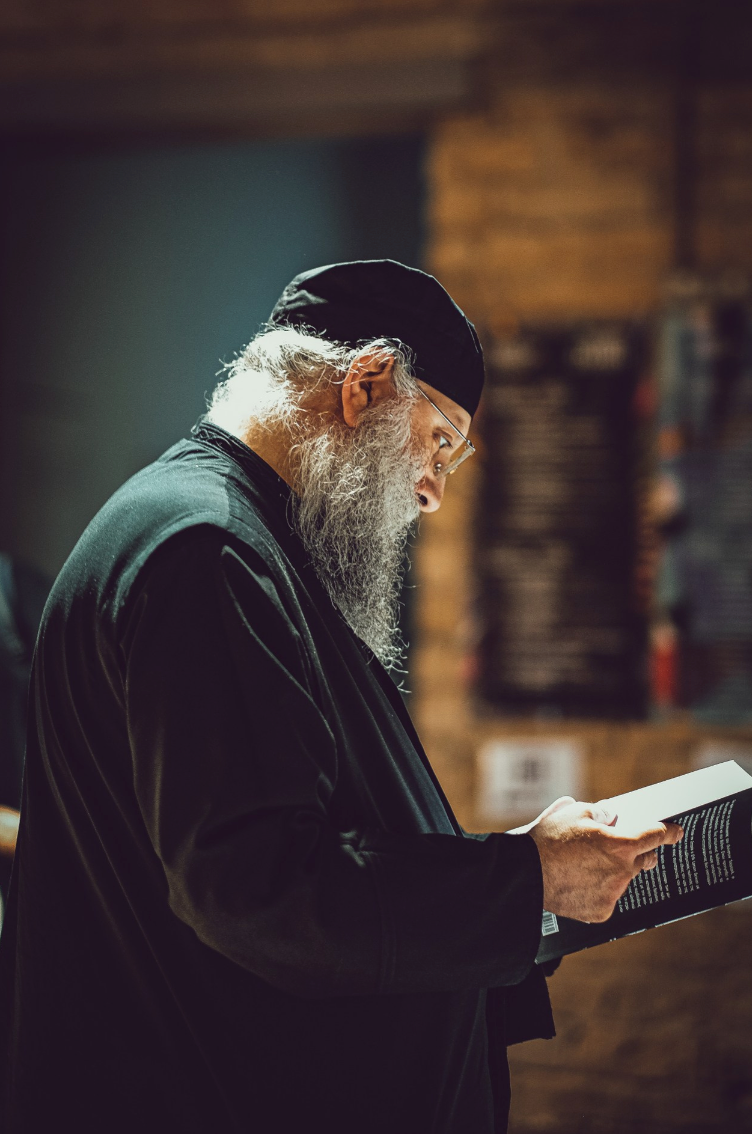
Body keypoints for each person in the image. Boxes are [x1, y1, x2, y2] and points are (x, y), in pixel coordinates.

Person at [0, 260, 682, 1134]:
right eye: (440, 443)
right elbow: (262, 892)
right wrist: (526, 878)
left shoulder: (241, 544)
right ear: (365, 385)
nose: (434, 492)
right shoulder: (204, 551)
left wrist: (519, 884)